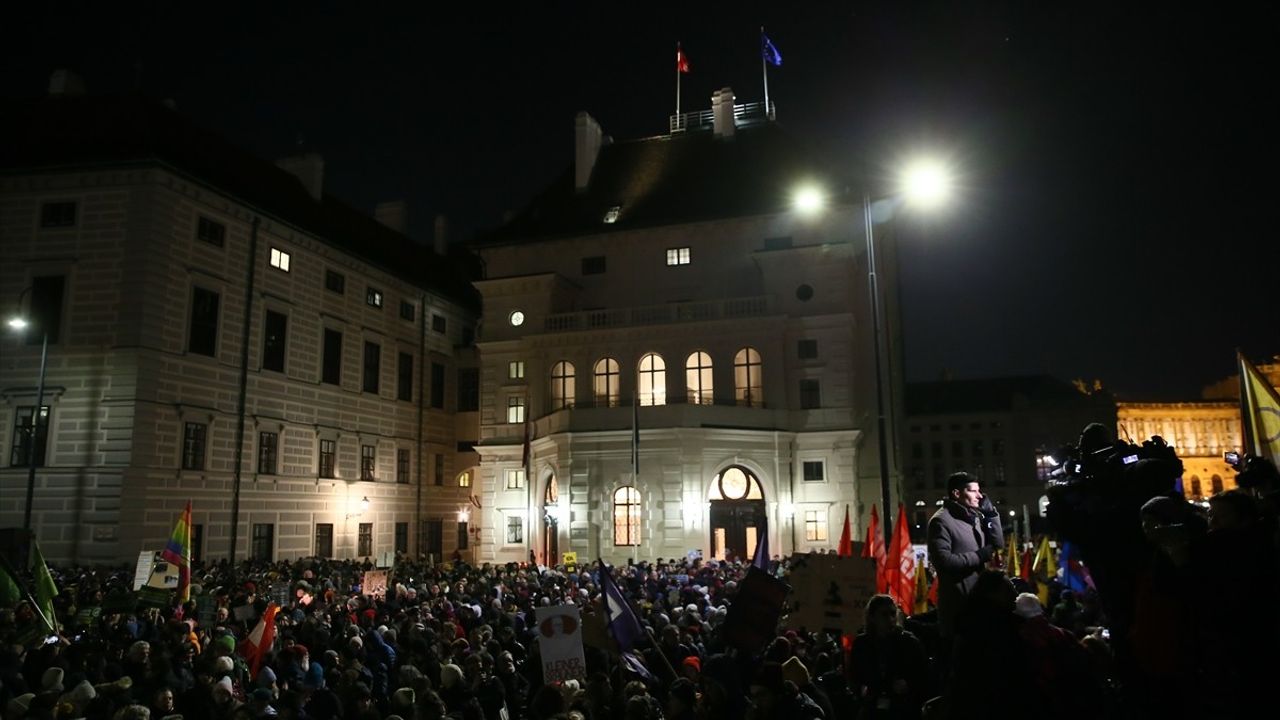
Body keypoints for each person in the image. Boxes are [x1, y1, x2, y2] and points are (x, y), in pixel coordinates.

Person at [926, 472, 1003, 640]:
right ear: (956, 493)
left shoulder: (975, 516)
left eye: (979, 491)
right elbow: (944, 561)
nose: (980, 495)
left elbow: (997, 544)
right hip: (958, 604)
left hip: (981, 602)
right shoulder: (941, 521)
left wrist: (991, 515)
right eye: (973, 491)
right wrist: (979, 556)